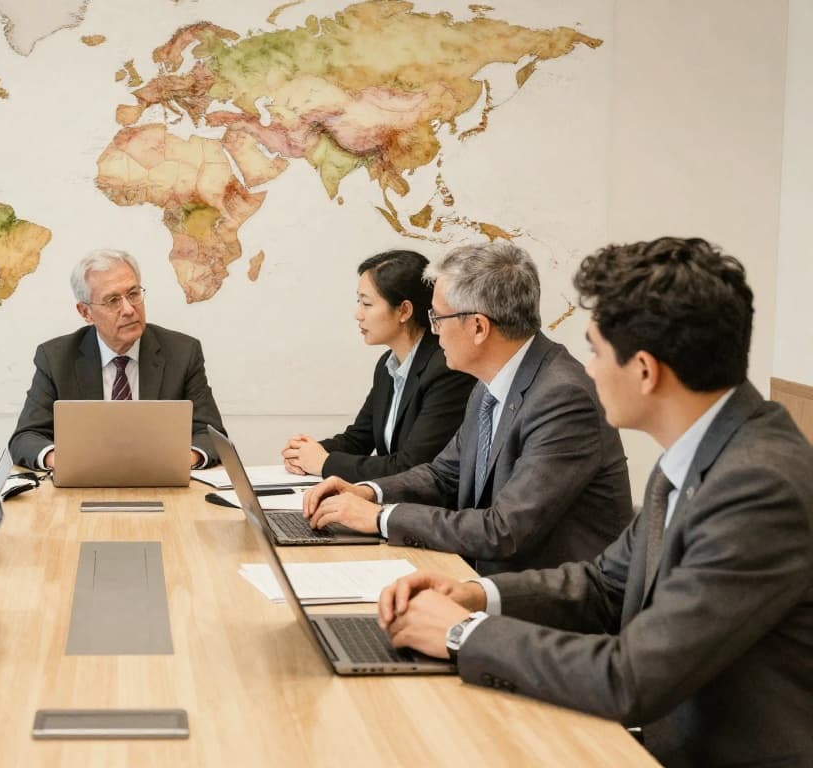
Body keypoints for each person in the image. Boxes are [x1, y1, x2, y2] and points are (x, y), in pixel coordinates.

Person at [377, 237, 813, 767]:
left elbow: (633, 677)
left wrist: (461, 634)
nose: (588, 369)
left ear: (646, 370)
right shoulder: (705, 450)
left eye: (597, 350)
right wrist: (474, 595)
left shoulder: (758, 487)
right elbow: (604, 584)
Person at [302, 242, 632, 574]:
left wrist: (379, 518)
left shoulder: (562, 398)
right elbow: (443, 474)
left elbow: (503, 530)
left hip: (544, 602)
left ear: (477, 327)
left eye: (437, 318)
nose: (434, 331)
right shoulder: (488, 384)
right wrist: (368, 492)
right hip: (482, 577)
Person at [9, 248, 226, 470]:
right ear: (85, 312)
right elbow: (26, 437)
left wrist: (176, 462)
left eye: (133, 294)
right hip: (84, 484)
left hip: (163, 483)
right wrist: (67, 463)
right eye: (113, 300)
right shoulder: (56, 358)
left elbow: (211, 434)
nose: (129, 309)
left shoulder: (182, 352)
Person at [281, 249, 474, 482]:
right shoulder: (388, 364)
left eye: (367, 303)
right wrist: (306, 452)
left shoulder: (446, 369)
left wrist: (324, 462)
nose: (358, 315)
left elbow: (412, 466)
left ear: (404, 310)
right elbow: (358, 439)